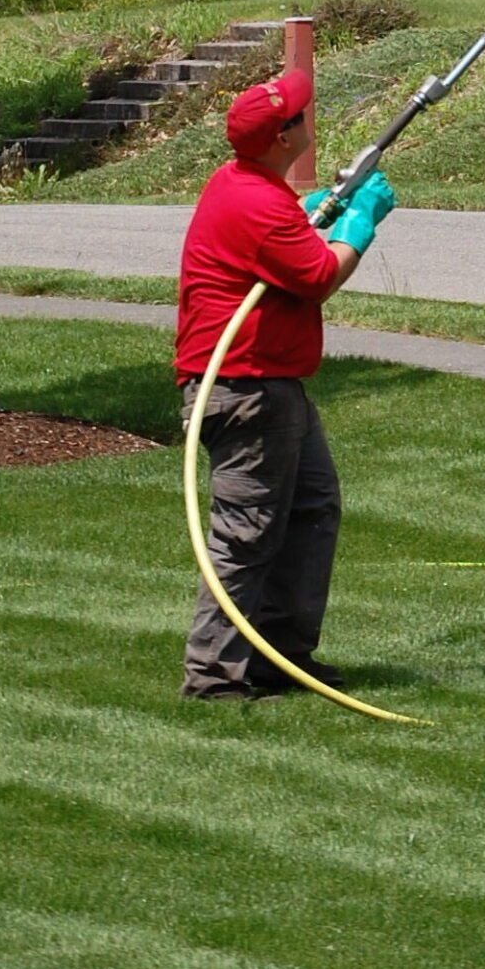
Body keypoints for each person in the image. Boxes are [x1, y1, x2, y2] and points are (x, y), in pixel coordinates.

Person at [176, 66, 395, 700]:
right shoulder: (256, 203)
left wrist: (324, 205)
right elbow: (319, 274)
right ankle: (213, 677)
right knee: (245, 534)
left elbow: (286, 228)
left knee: (311, 509)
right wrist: (360, 222)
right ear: (281, 138)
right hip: (245, 391)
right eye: (299, 116)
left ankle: (278, 655)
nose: (308, 119)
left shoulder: (243, 182)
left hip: (272, 385)